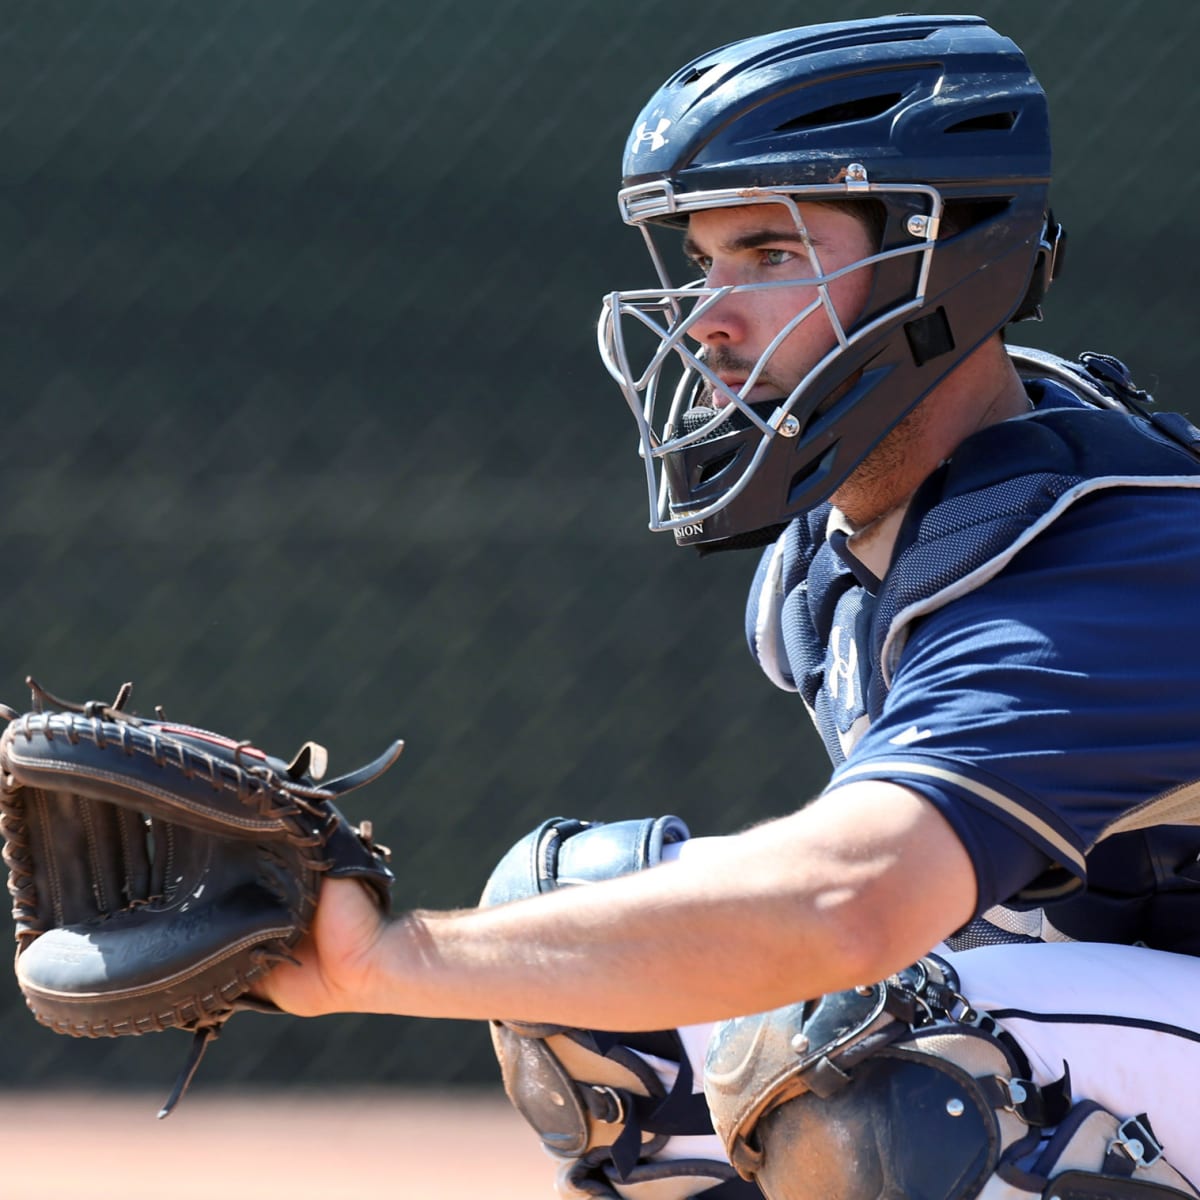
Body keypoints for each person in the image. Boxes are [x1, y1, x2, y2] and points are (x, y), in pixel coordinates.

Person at [262, 14, 1200, 1200]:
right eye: (705, 262)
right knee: (596, 955)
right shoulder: (855, 548)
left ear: (941, 259)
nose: (708, 314)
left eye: (771, 256)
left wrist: (382, 963)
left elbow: (852, 902)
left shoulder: (1109, 551)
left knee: (889, 1049)